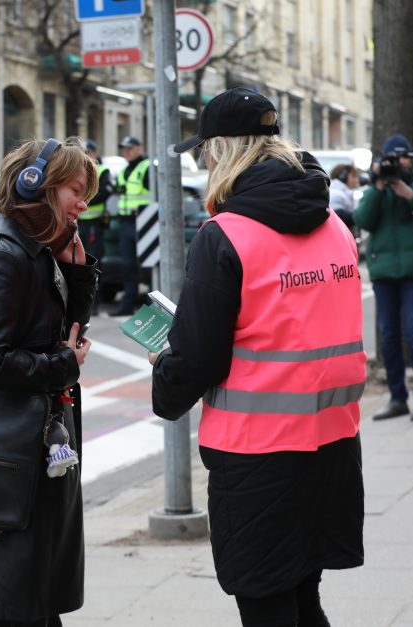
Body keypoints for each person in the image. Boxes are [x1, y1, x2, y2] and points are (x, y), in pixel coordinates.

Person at [150, 87, 366, 627]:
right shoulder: (335, 226)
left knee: (266, 603)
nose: (202, 160)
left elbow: (198, 357)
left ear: (224, 150)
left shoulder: (225, 236)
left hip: (255, 454)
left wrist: (165, 377)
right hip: (332, 443)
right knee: (303, 597)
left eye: (205, 149)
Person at [0, 136, 98, 626]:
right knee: (10, 604)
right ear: (38, 185)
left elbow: (60, 330)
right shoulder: (3, 257)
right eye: (75, 189)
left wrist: (77, 278)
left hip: (28, 453)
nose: (83, 203)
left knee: (31, 600)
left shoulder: (36, 251)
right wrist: (63, 366)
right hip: (6, 459)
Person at [353, 134, 413, 421]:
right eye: (393, 159)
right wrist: (379, 187)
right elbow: (363, 220)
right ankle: (397, 398)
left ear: (411, 160)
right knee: (389, 336)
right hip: (383, 275)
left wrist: (409, 194)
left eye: (403, 158)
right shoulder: (376, 191)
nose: (398, 163)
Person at [113, 135, 151, 316]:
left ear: (140, 148)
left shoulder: (147, 168)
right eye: (124, 148)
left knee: (148, 266)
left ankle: (153, 307)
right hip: (126, 222)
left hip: (144, 222)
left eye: (129, 148)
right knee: (128, 266)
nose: (125, 151)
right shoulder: (125, 170)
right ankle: (127, 306)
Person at [79, 139, 114, 314]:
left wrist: (84, 200)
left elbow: (105, 193)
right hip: (79, 224)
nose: (84, 156)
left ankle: (94, 304)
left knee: (93, 265)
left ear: (94, 153)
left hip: (94, 225)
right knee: (78, 265)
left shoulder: (102, 171)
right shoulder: (78, 170)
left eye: (87, 152)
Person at [328, 162, 360, 228]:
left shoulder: (341, 192)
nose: (357, 180)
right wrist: (361, 214)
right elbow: (339, 218)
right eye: (353, 176)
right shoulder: (336, 193)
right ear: (343, 177)